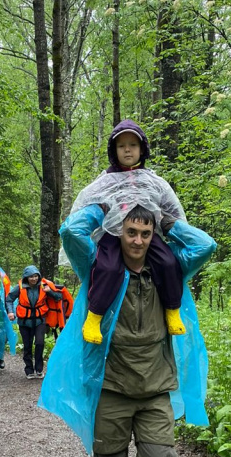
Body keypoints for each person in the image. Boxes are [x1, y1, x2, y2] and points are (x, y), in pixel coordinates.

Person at [38, 203, 216, 457]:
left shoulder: (169, 270)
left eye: (145, 233)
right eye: (131, 232)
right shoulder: (99, 267)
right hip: (111, 388)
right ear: (120, 231)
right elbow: (70, 232)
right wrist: (102, 207)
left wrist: (170, 222)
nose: (137, 240)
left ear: (153, 237)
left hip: (154, 389)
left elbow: (205, 245)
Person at [69, 120, 186, 345]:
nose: (127, 150)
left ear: (142, 149)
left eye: (133, 145)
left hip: (145, 233)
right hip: (114, 234)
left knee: (169, 262)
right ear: (114, 150)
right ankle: (94, 316)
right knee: (108, 267)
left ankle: (172, 310)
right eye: (121, 146)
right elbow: (87, 203)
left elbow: (171, 208)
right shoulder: (105, 180)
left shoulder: (153, 180)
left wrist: (173, 229)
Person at [6, 266, 62, 379]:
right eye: (31, 276)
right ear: (26, 277)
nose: (34, 279)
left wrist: (50, 292)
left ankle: (39, 369)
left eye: (36, 276)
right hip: (24, 321)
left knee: (40, 343)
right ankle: (29, 370)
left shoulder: (44, 286)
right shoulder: (19, 287)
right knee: (27, 346)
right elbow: (9, 299)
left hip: (40, 320)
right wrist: (10, 312)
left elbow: (58, 297)